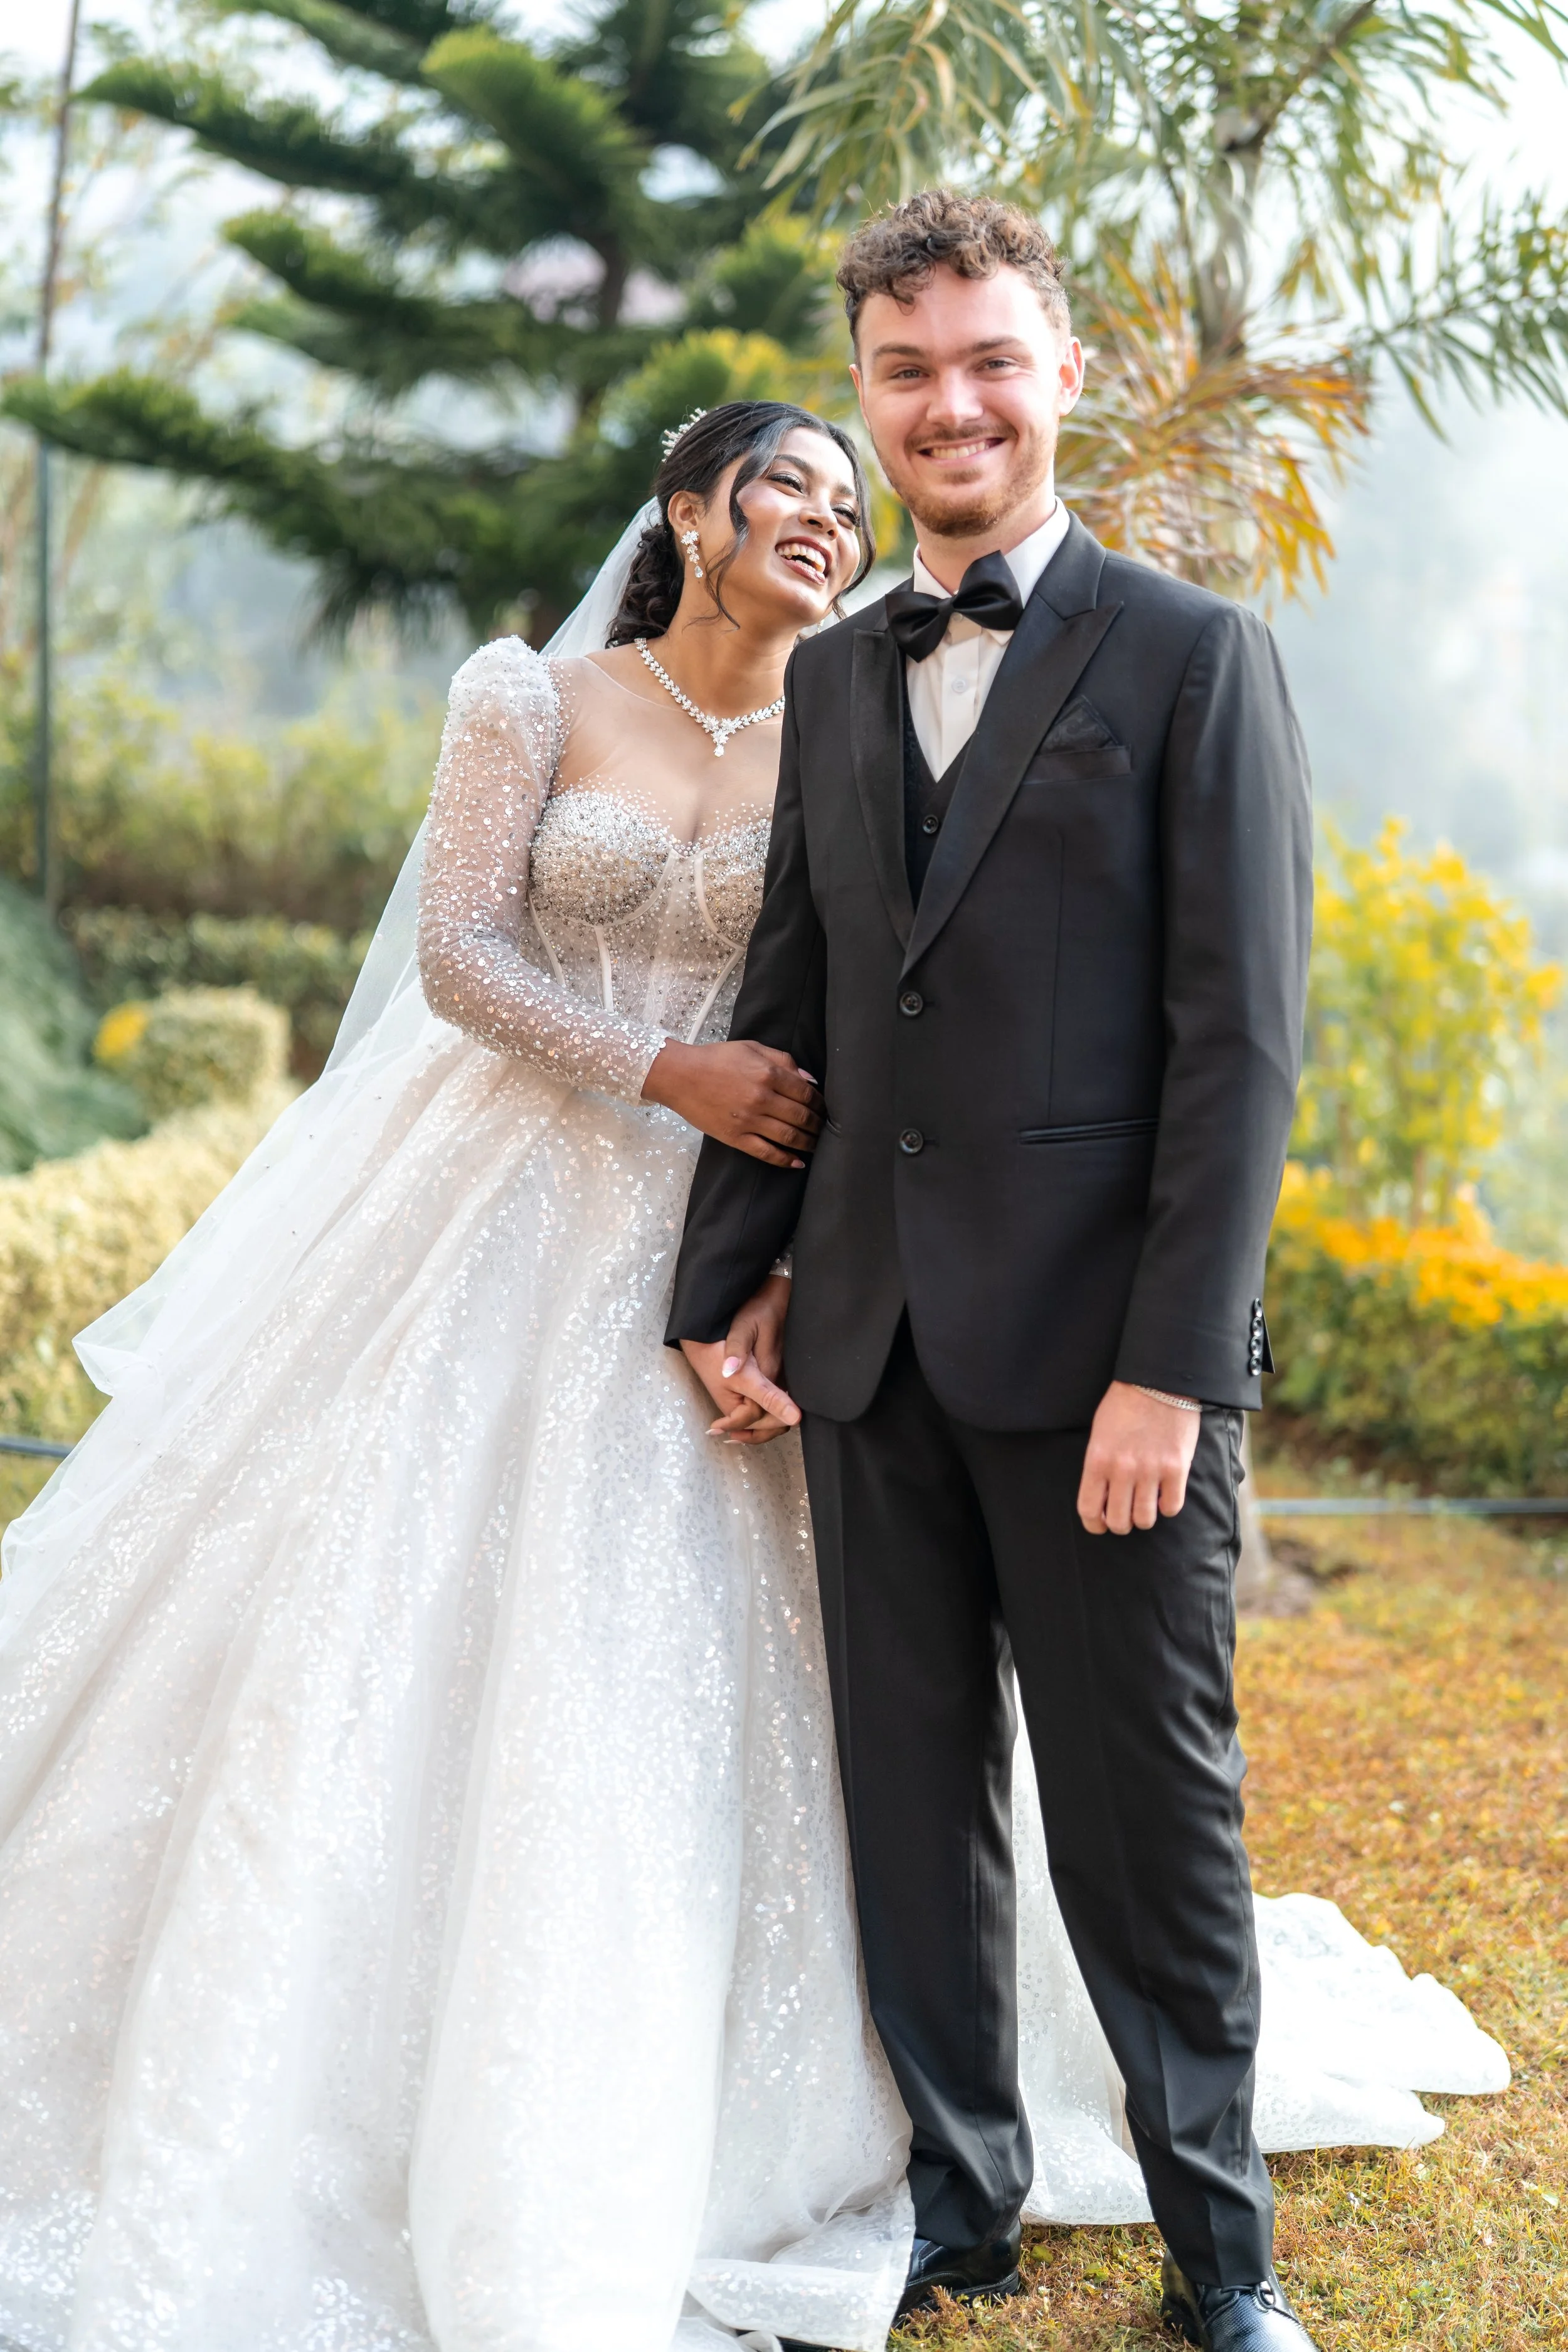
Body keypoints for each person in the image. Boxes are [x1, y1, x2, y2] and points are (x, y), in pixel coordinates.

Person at [0, 384, 1503, 2352]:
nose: (822, 511)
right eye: (782, 481)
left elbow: (870, 1013)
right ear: (690, 511)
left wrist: (779, 1249)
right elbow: (460, 949)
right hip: (494, 1192)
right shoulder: (530, 699)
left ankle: (971, 2135)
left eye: (836, 493)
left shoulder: (862, 701)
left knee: (790, 1682)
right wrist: (664, 1067)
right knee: (373, 1604)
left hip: (772, 1231)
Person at [666, 193, 1505, 2352]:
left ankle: (1222, 2259)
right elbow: (807, 989)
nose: (947, 405)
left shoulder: (1194, 656)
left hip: (1104, 1375)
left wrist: (1176, 1371)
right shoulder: (841, 674)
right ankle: (965, 2201)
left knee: (1150, 1819)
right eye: (903, 371)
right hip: (867, 1348)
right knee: (909, 1807)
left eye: (985, 363)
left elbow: (1241, 1053)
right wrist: (729, 1281)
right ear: (865, 391)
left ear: (1056, 377)